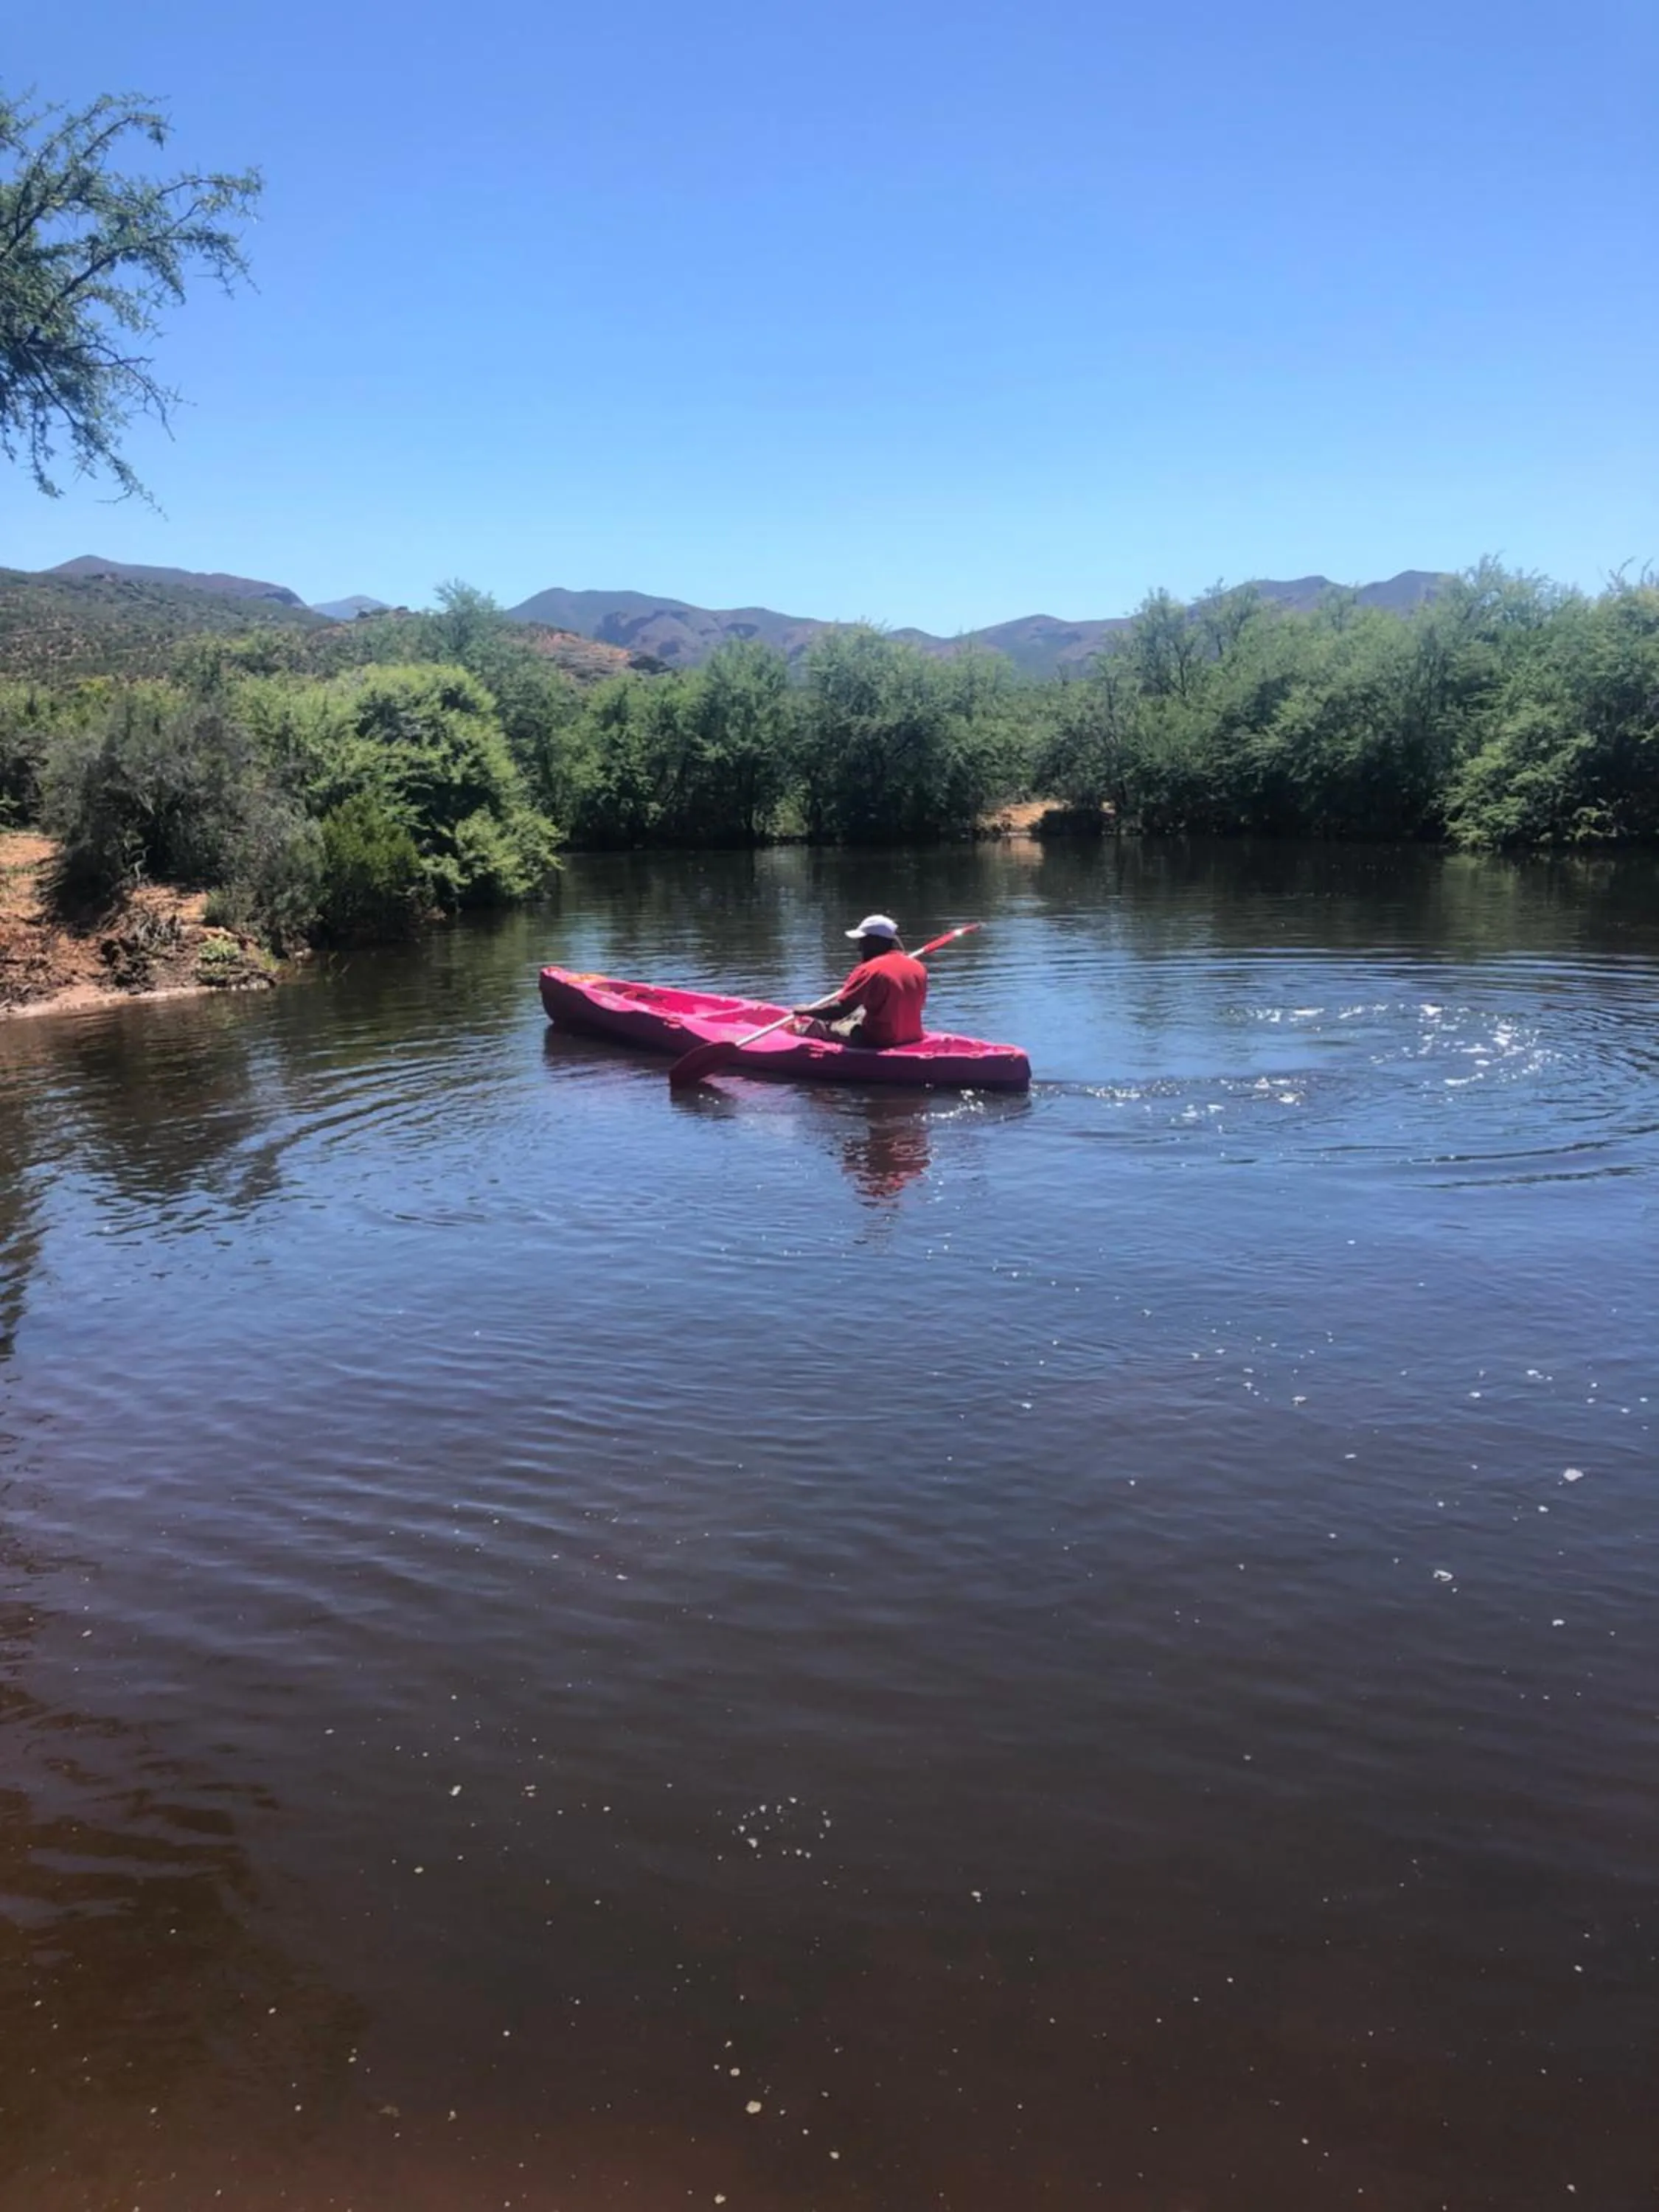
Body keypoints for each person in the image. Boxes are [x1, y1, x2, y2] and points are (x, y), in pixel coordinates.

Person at [793, 914, 928, 1047]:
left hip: (877, 1041)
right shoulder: (918, 967)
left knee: (822, 1024)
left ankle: (796, 1033)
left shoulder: (869, 970)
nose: (859, 948)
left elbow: (839, 1011)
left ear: (875, 942)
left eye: (863, 942)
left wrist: (807, 1011)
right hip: (913, 1036)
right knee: (858, 1012)